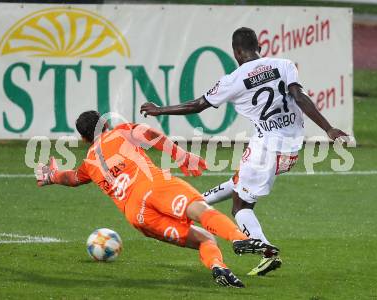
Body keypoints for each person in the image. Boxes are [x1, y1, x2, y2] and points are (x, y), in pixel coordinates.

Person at [140, 27, 348, 276]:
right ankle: (197, 205)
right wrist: (329, 128)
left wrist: (159, 110)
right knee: (239, 182)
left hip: (267, 149)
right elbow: (300, 98)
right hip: (291, 149)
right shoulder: (283, 65)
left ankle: (267, 251)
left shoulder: (233, 80)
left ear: (236, 51)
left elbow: (197, 105)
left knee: (240, 205)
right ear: (258, 45)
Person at [35, 110, 278, 288]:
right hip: (154, 187)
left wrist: (51, 176)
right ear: (106, 123)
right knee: (201, 211)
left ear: (85, 139)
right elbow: (149, 133)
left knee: (204, 239)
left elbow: (72, 178)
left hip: (137, 216)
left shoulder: (88, 163)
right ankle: (238, 239)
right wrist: (181, 155)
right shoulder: (119, 131)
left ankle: (219, 268)